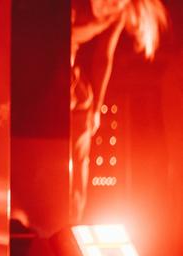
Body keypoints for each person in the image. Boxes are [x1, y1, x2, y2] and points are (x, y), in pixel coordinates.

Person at [70, 0, 167, 222]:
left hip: (69, 68)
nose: (108, 7)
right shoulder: (76, 6)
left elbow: (104, 57)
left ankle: (73, 214)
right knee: (77, 102)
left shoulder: (117, 15)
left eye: (115, 5)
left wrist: (97, 109)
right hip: (48, 56)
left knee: (83, 111)